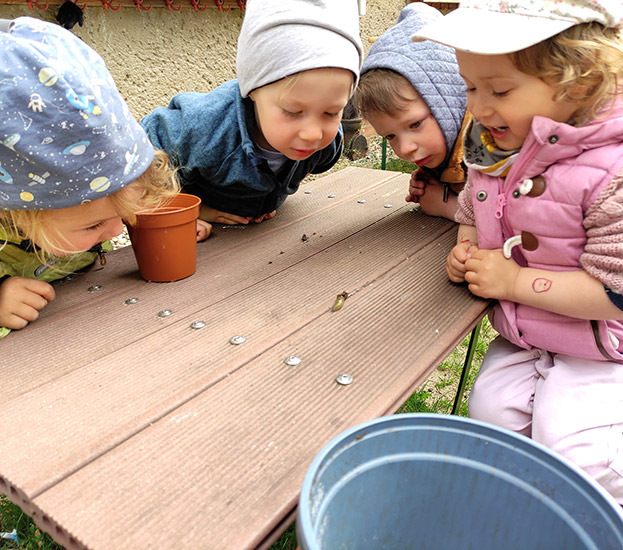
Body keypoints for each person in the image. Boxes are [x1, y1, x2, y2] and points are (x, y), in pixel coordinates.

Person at [413, 0, 623, 503]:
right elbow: (473, 205)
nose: (479, 107)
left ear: (578, 81)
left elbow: (615, 293)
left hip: (604, 346)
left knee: (576, 452)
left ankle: (599, 516)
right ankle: (524, 509)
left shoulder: (612, 172)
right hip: (526, 333)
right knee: (491, 418)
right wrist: (467, 249)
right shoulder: (494, 145)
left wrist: (512, 282)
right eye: (470, 87)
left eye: (500, 90)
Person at [0, 17, 210, 338]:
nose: (118, 230)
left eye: (123, 213)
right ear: (15, 212)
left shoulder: (81, 209)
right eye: (93, 225)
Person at [140, 0, 363, 226]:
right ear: (252, 90)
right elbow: (141, 146)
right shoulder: (207, 128)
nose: (313, 134)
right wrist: (181, 210)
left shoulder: (328, 145)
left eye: (331, 113)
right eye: (293, 111)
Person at [352, 2, 469, 221]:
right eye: (390, 136)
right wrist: (437, 179)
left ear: (451, 101)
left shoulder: (492, 148)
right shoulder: (450, 148)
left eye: (414, 124)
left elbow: (518, 221)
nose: (405, 148)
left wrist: (447, 206)